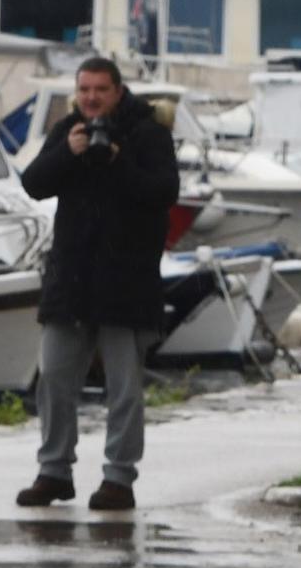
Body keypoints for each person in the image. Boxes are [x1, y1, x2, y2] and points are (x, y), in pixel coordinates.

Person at [14, 53, 180, 512]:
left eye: (99, 90)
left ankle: (119, 479)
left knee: (124, 387)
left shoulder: (148, 134)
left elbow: (164, 193)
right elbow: (33, 184)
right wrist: (70, 153)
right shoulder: (70, 132)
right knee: (54, 377)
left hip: (126, 281)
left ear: (117, 91)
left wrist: (118, 162)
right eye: (84, 89)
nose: (90, 98)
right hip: (71, 279)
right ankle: (54, 471)